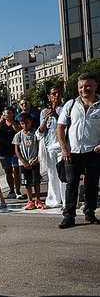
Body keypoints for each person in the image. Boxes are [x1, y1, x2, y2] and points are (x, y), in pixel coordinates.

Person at [57, 72, 100, 229]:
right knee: (71, 185)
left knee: (92, 184)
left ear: (96, 85)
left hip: (94, 152)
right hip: (72, 152)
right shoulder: (71, 105)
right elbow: (60, 127)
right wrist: (64, 148)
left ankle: (89, 213)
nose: (84, 89)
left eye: (88, 85)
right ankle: (69, 216)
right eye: (81, 86)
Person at [37, 87, 66, 209]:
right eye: (54, 93)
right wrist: (46, 119)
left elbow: (68, 126)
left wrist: (57, 115)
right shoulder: (44, 111)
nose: (57, 95)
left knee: (63, 175)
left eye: (59, 93)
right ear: (49, 96)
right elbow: (40, 132)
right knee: (52, 174)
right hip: (50, 147)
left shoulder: (66, 108)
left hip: (62, 146)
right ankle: (54, 200)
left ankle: (66, 201)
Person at [0, 107, 25, 200]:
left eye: (9, 113)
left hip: (14, 149)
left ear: (13, 114)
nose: (7, 115)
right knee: (8, 171)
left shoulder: (16, 121)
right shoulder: (1, 122)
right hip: (3, 150)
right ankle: (11, 190)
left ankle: (18, 191)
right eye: (6, 113)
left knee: (16, 170)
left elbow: (18, 130)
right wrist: (1, 120)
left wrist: (11, 121)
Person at [13, 114, 44, 210]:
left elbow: (40, 147)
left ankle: (38, 199)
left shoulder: (36, 133)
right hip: (23, 163)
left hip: (34, 161)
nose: (25, 125)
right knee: (26, 182)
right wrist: (23, 161)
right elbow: (17, 150)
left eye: (27, 123)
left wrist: (37, 159)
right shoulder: (18, 135)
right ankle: (30, 200)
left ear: (31, 121)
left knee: (36, 181)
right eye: (22, 123)